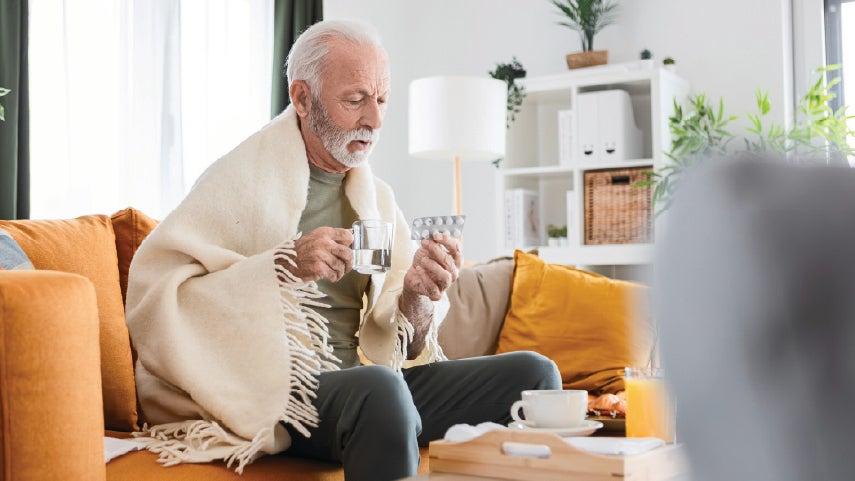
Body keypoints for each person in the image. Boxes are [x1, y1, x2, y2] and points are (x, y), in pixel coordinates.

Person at [126, 19, 560, 481]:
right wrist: (282, 266)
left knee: (536, 378)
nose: (373, 120)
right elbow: (158, 294)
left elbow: (407, 344)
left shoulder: (378, 199)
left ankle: (391, 425)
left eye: (382, 99)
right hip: (277, 391)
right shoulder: (237, 183)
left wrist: (415, 296)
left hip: (365, 387)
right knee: (382, 392)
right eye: (355, 100)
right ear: (302, 98)